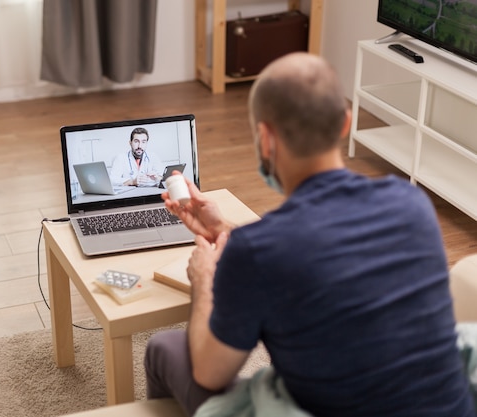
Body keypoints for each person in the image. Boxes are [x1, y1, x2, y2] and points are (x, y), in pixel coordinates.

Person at [143, 52, 475, 417]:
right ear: (345, 122)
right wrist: (225, 230)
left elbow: (210, 372)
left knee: (164, 348)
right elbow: (318, 252)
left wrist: (204, 278)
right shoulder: (412, 204)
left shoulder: (256, 252)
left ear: (266, 140)